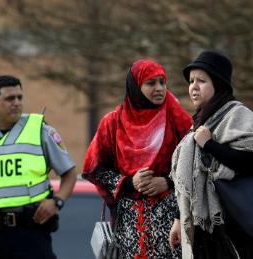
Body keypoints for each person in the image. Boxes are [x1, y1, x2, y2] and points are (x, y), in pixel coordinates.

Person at [168, 50, 253, 259]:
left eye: (202, 81)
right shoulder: (201, 122)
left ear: (218, 84)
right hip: (210, 232)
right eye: (191, 81)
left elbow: (252, 162)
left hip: (241, 231)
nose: (193, 87)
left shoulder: (238, 115)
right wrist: (179, 220)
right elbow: (192, 182)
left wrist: (209, 144)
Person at [0, 75, 77, 259]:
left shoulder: (39, 130)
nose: (17, 103)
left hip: (32, 231)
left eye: (20, 97)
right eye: (10, 98)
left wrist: (57, 201)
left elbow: (70, 173)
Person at [82, 60, 192, 258]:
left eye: (162, 82)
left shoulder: (177, 120)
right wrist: (129, 182)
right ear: (135, 86)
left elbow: (197, 169)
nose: (159, 88)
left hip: (172, 227)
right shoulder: (113, 123)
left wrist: (167, 181)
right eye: (151, 83)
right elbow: (93, 169)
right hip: (129, 230)